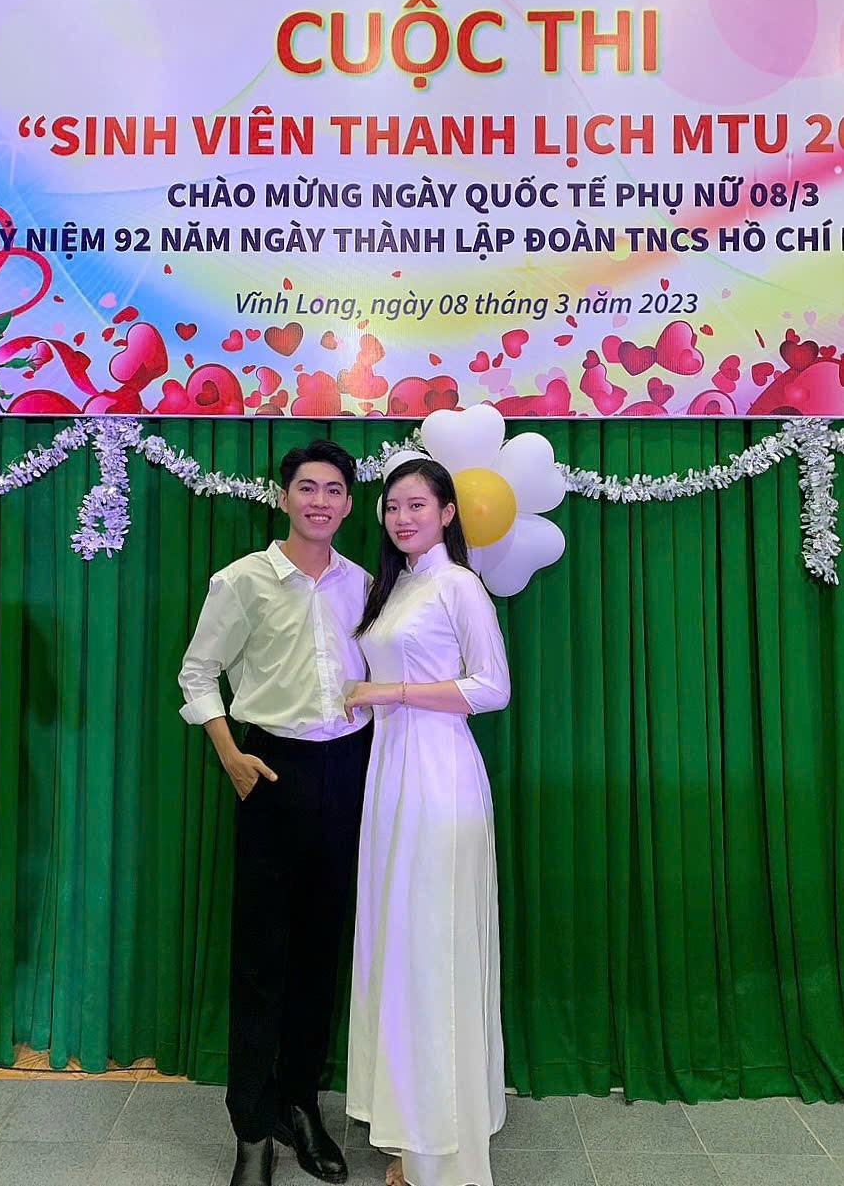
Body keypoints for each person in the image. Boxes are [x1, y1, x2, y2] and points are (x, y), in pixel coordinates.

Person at [179, 440, 372, 1186]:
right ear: (283, 496)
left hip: (347, 769)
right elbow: (198, 671)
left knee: (321, 952)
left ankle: (299, 1103)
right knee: (262, 955)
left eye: (334, 489)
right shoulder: (243, 580)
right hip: (269, 768)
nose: (320, 501)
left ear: (349, 503)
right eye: (307, 488)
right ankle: (252, 1128)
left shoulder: (364, 584)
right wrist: (230, 753)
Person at [344, 458, 510, 1186]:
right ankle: (417, 1133)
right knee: (401, 948)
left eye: (417, 505)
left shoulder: (458, 584)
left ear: (447, 513)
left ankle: (446, 1156)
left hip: (439, 776)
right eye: (392, 506)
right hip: (391, 775)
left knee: (434, 951)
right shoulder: (398, 586)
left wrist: (391, 690)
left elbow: (492, 687)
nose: (401, 517)